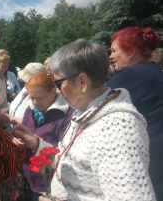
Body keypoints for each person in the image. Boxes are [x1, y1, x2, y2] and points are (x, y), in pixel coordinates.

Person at [13, 39, 156, 201]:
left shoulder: (116, 129)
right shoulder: (85, 113)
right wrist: (36, 143)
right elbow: (73, 162)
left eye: (58, 82)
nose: (58, 91)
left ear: (82, 82)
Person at [107, 27, 162, 200]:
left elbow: (95, 105)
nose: (111, 56)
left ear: (130, 51)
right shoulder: (152, 71)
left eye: (114, 50)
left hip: (145, 165)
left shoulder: (131, 75)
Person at [17, 72, 73, 200]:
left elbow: (65, 154)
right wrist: (19, 141)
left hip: (50, 183)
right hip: (29, 179)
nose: (35, 102)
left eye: (39, 98)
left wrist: (37, 143)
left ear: (53, 92)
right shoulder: (30, 110)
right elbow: (26, 136)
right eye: (32, 98)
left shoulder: (66, 115)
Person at [0, 63, 49, 130]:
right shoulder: (25, 89)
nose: (23, 80)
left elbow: (35, 124)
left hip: (23, 138)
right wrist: (5, 110)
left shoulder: (41, 100)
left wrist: (9, 118)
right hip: (11, 134)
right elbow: (18, 106)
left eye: (26, 79)